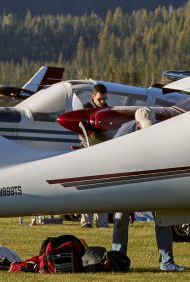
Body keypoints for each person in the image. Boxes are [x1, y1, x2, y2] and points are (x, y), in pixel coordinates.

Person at [110, 108, 184, 271]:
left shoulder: (159, 130)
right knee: (120, 219)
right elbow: (113, 157)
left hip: (152, 177)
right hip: (127, 178)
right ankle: (118, 261)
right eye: (145, 126)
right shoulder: (124, 132)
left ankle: (167, 262)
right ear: (137, 124)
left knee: (162, 218)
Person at [78, 83, 111, 226]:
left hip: (103, 154)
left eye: (104, 99)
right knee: (88, 187)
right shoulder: (85, 111)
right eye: (100, 99)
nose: (102, 102)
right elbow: (82, 133)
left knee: (103, 189)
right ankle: (86, 220)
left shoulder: (108, 110)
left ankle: (102, 222)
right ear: (93, 96)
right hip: (87, 153)